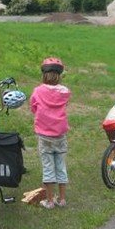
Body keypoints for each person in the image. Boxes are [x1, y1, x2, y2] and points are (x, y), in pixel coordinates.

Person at [30, 57, 71, 209]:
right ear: (59, 75)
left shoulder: (38, 91)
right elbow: (66, 103)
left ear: (44, 75)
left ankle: (49, 201)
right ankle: (62, 199)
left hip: (44, 135)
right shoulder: (65, 91)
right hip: (60, 134)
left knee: (48, 166)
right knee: (60, 164)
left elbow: (33, 107)